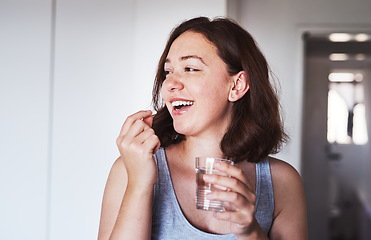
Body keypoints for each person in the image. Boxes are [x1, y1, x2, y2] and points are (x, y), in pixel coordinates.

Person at [98, 17, 307, 240]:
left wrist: (249, 231)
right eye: (168, 72)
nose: (169, 84)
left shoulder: (281, 182)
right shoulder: (130, 170)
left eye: (190, 68)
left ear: (236, 86)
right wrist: (139, 185)